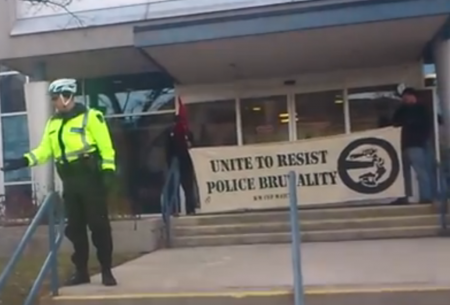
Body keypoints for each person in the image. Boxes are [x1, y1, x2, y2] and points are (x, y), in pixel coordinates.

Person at [1, 79, 117, 286]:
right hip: (70, 181)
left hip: (90, 179)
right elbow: (45, 150)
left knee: (99, 226)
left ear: (67, 96)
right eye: (53, 99)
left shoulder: (91, 117)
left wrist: (108, 172)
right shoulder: (53, 123)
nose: (54, 102)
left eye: (56, 98)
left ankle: (106, 270)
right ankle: (81, 271)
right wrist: (23, 161)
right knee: (75, 228)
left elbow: (106, 147)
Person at [391, 87, 436, 204]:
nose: (405, 100)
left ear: (413, 96)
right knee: (403, 174)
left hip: (415, 144)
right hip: (403, 145)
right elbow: (394, 124)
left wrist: (421, 139)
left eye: (406, 97)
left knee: (420, 171)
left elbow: (426, 126)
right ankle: (404, 196)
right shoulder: (402, 110)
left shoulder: (421, 110)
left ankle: (426, 196)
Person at [164, 99, 196, 215]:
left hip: (185, 162)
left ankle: (190, 209)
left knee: (187, 187)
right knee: (175, 187)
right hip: (176, 162)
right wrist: (169, 162)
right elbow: (168, 149)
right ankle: (175, 209)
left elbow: (193, 145)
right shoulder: (171, 133)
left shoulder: (187, 133)